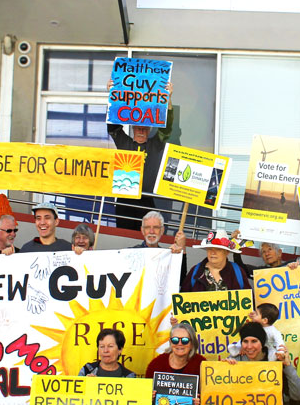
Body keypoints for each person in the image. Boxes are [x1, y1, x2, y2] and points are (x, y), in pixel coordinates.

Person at [107, 81, 174, 230]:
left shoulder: (155, 145)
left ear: (149, 130)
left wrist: (168, 100)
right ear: (133, 128)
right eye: (139, 128)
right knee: (123, 237)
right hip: (125, 200)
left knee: (148, 233)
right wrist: (112, 94)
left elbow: (166, 130)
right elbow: (112, 126)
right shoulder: (124, 142)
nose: (141, 131)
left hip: (146, 200)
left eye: (145, 128)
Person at [226, 322, 300, 405]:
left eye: (254, 341)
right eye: (245, 341)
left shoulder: (276, 358)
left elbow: (298, 395)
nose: (249, 346)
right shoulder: (236, 359)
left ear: (262, 342)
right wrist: (225, 370)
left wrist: (288, 366)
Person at [180, 229, 250, 292]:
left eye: (218, 249)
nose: (213, 252)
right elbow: (183, 298)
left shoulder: (237, 272)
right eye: (210, 248)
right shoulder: (195, 271)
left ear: (227, 252)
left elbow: (249, 299)